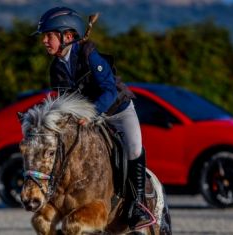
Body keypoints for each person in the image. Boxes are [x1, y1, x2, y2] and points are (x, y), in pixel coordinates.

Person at [31, 6, 154, 230]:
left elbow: (109, 90)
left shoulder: (89, 54)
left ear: (67, 36)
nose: (44, 41)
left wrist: (92, 113)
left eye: (49, 35)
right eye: (44, 36)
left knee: (134, 149)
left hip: (117, 111)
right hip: (85, 120)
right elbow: (63, 101)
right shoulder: (56, 68)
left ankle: (138, 206)